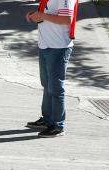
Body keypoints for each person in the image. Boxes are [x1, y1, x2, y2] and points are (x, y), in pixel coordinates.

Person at [24, 0, 78, 137]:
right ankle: (48, 120)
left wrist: (41, 16)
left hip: (59, 47)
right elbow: (47, 12)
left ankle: (58, 126)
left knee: (55, 88)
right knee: (47, 85)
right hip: (46, 45)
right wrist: (34, 15)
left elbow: (67, 19)